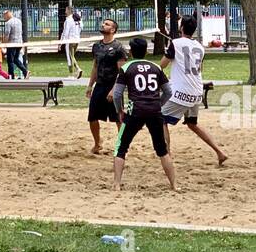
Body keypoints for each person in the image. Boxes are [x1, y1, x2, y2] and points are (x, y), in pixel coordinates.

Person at [111, 37, 177, 191]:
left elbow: (116, 94)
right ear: (146, 51)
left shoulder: (126, 68)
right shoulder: (156, 67)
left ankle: (117, 184)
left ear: (131, 52)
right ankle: (174, 184)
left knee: (121, 147)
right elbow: (168, 91)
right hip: (155, 111)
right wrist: (158, 104)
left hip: (135, 111)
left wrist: (119, 110)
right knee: (162, 150)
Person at [161, 15, 228, 166]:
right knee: (192, 124)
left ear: (182, 27)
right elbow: (199, 69)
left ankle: (167, 155)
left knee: (160, 119)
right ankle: (220, 152)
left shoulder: (175, 43)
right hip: (197, 91)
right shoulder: (200, 47)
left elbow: (163, 65)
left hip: (180, 92)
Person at [86, 18, 126, 154]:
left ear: (113, 30)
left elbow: (121, 72)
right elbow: (95, 66)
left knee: (118, 118)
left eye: (107, 24)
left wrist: (114, 90)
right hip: (100, 85)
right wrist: (90, 85)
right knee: (92, 117)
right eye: (104, 23)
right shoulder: (97, 46)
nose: (103, 25)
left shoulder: (118, 48)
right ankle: (97, 143)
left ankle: (122, 145)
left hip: (113, 86)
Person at [3, 9, 28, 78]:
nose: (4, 18)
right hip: (19, 43)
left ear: (7, 14)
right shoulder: (19, 21)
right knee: (15, 59)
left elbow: (7, 34)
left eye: (4, 16)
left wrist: (4, 44)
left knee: (10, 60)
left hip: (11, 44)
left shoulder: (8, 23)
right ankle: (25, 71)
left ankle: (11, 75)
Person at [61, 8, 84, 78]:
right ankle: (74, 72)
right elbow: (81, 28)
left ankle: (76, 70)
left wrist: (61, 42)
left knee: (70, 57)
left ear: (69, 11)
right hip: (77, 40)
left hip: (70, 40)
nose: (65, 11)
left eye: (66, 10)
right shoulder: (78, 19)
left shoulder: (68, 20)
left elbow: (66, 32)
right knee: (72, 56)